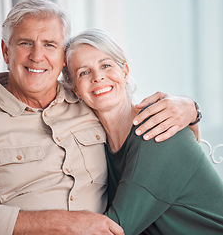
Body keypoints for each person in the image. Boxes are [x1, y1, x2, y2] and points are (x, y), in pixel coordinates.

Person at [0, 0, 200, 235]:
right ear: (6, 51)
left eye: (49, 45)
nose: (37, 56)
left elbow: (134, 121)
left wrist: (191, 109)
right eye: (25, 43)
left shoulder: (87, 98)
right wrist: (63, 222)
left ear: (62, 56)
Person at [62, 28, 223, 234]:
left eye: (106, 65)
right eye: (84, 72)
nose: (98, 77)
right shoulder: (99, 144)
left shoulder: (155, 130)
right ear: (75, 89)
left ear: (125, 72)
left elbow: (114, 230)